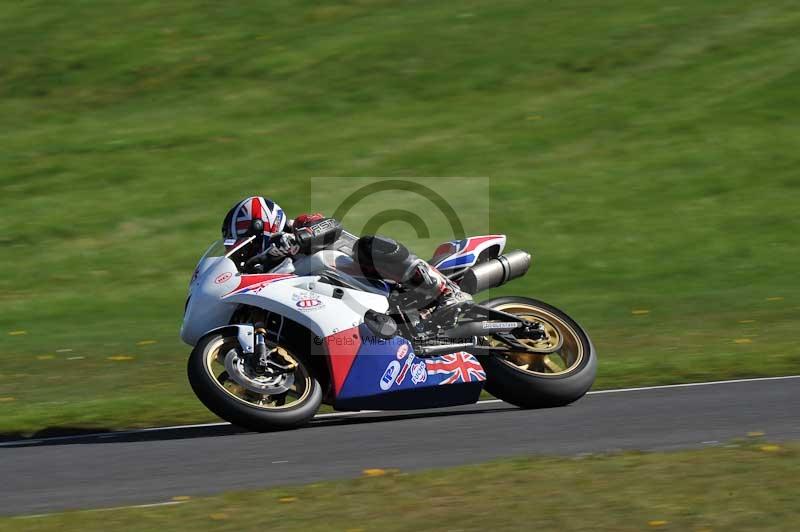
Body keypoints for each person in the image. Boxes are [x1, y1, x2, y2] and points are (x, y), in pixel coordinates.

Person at [220, 196, 471, 316]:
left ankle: (446, 291)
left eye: (244, 237)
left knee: (370, 245)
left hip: (376, 279)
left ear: (261, 224)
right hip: (343, 308)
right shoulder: (262, 267)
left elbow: (332, 226)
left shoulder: (300, 225)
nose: (244, 246)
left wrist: (299, 238)